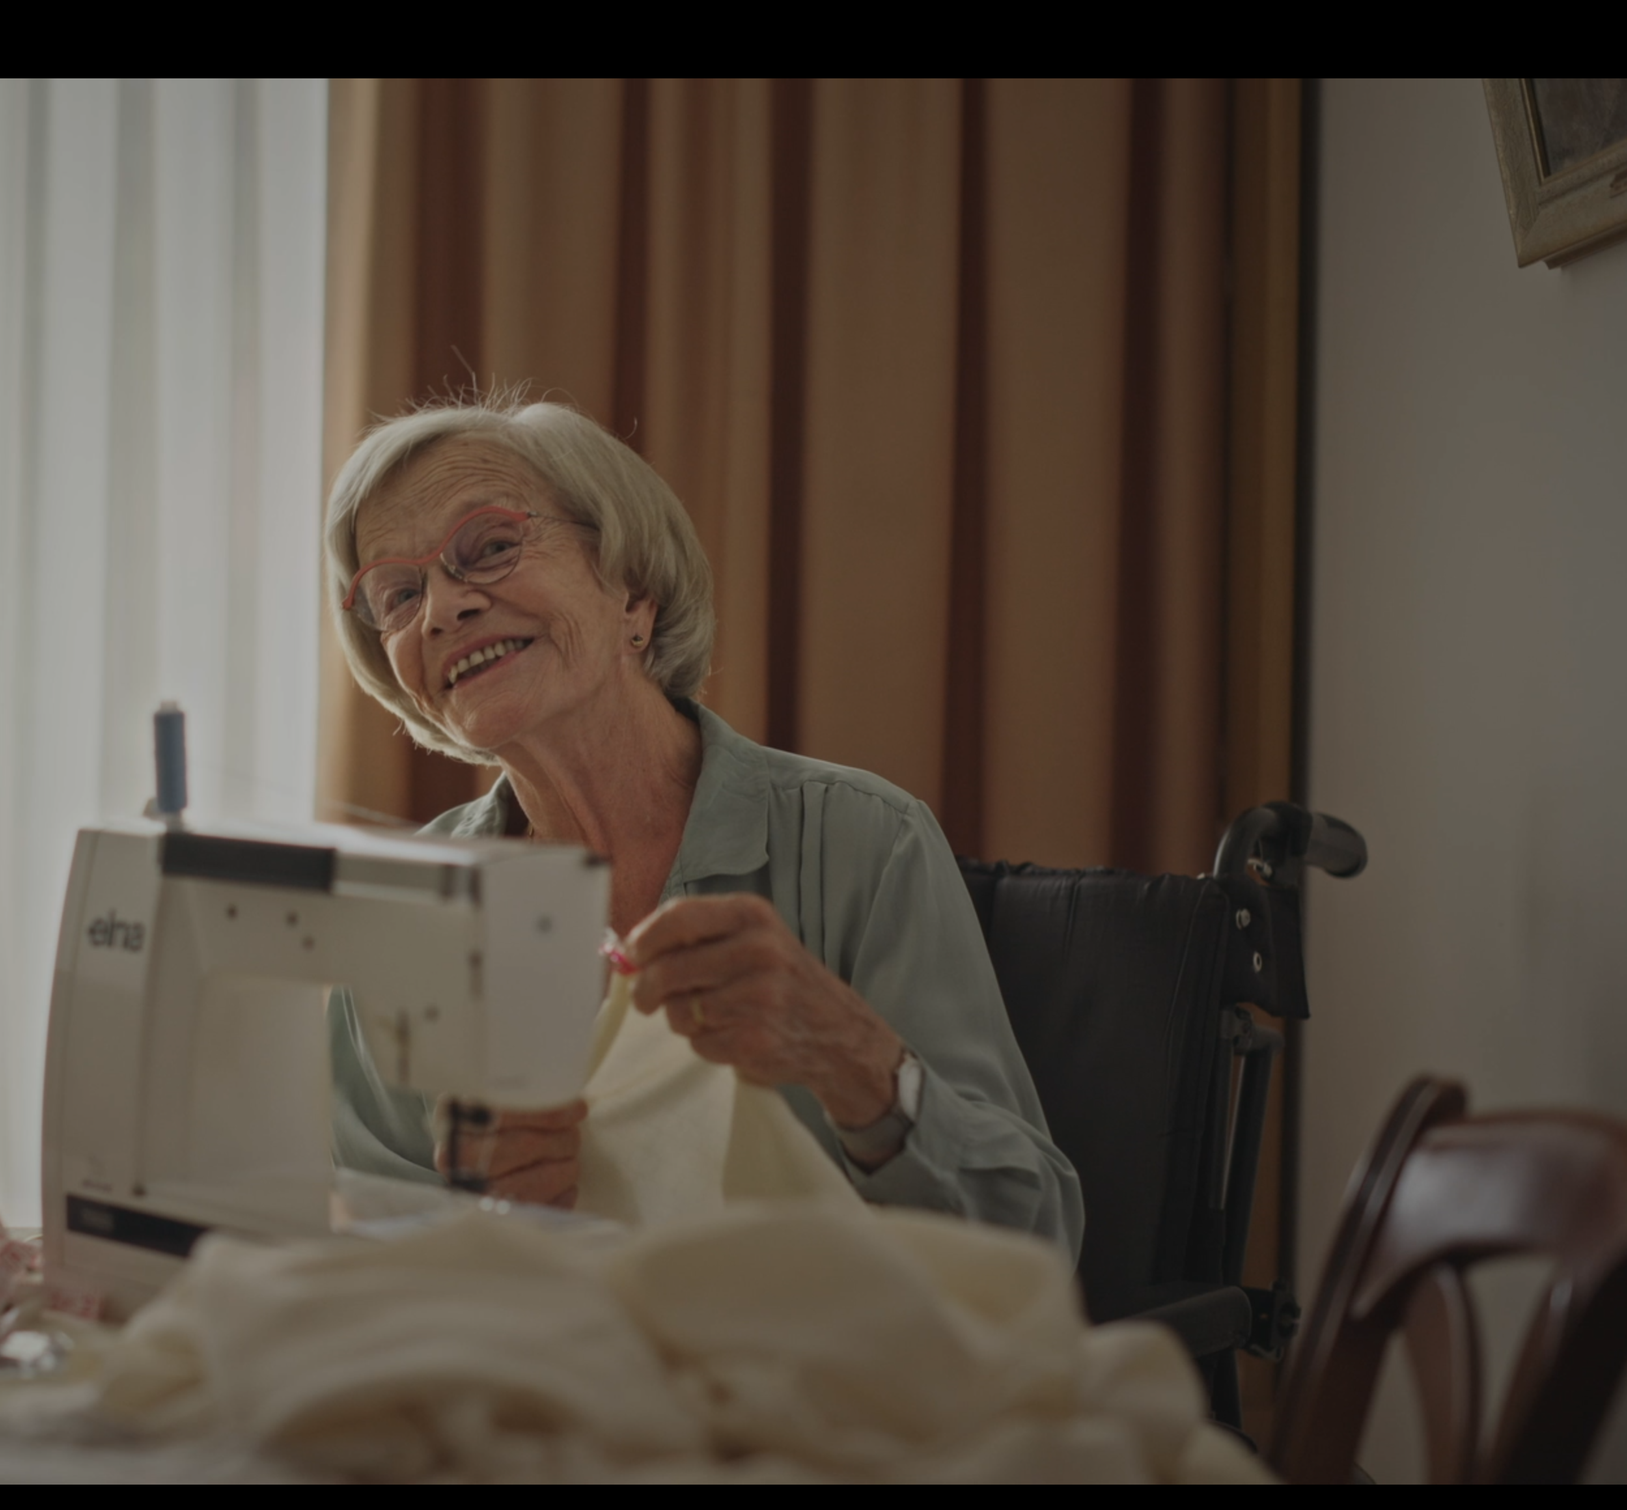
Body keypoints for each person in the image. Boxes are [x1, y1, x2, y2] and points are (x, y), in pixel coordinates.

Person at [324, 396, 1082, 1259]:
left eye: (491, 546)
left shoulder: (868, 840)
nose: (441, 610)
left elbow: (1035, 1236)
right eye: (398, 594)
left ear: (634, 593)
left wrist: (856, 1063)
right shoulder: (398, 909)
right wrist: (480, 1222)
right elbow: (354, 1259)